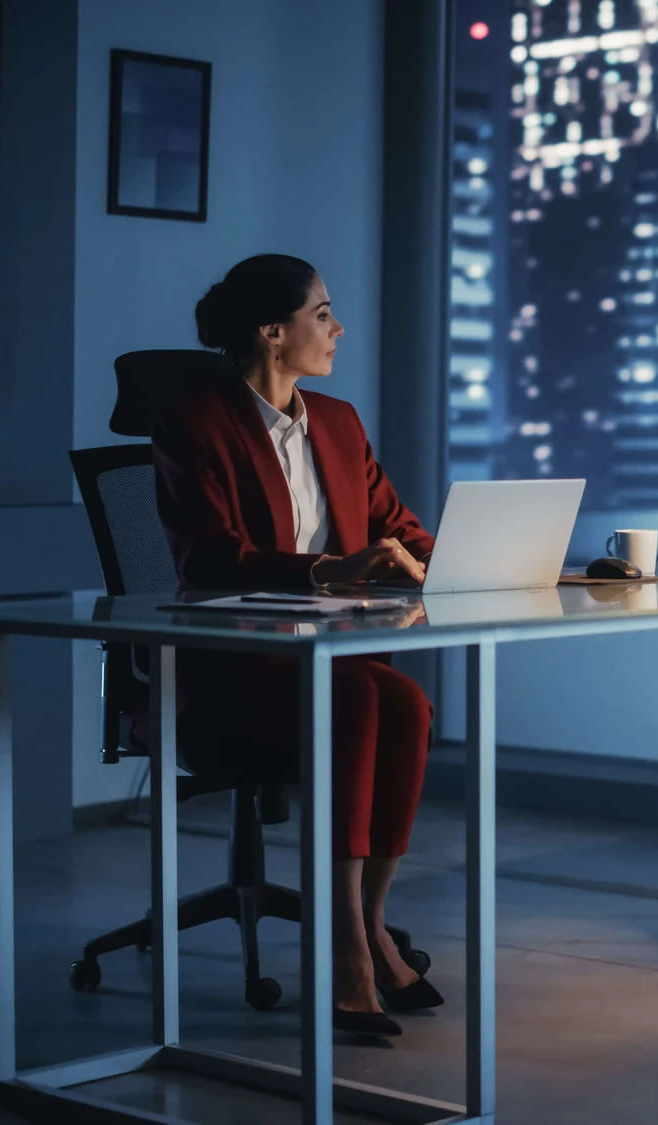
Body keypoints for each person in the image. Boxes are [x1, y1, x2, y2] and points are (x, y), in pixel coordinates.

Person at [152, 253, 439, 1037]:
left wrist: (455, 559)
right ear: (271, 333)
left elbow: (400, 529)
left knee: (407, 704)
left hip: (331, 662)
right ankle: (345, 951)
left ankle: (372, 924)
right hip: (234, 672)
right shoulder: (195, 423)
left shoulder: (338, 424)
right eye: (322, 314)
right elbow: (207, 560)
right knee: (353, 698)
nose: (338, 328)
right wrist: (327, 568)